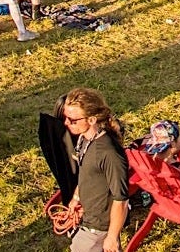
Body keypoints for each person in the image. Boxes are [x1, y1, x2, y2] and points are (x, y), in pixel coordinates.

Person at [58, 88, 129, 252]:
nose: (66, 123)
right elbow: (85, 174)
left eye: (72, 119)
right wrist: (77, 196)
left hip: (98, 228)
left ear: (91, 120)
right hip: (88, 218)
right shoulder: (84, 139)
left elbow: (121, 200)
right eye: (66, 117)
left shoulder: (109, 153)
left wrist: (112, 237)